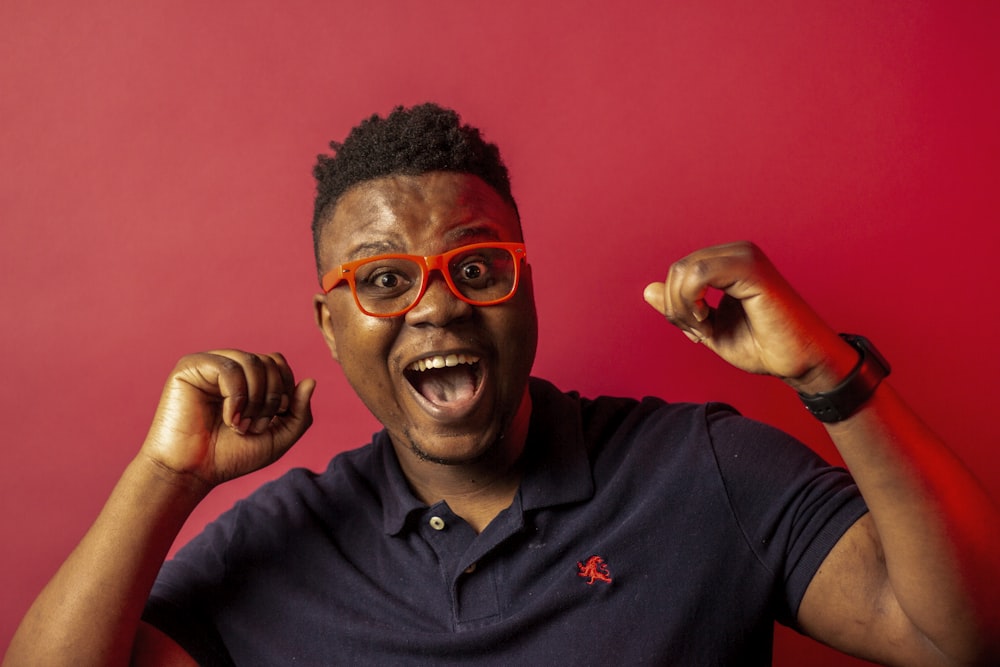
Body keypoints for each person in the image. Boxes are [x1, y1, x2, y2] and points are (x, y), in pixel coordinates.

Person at [5, 103, 999, 666]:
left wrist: (829, 372)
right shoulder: (284, 540)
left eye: (474, 265)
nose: (435, 306)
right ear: (330, 325)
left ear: (524, 286)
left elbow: (960, 633)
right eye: (383, 281)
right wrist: (164, 474)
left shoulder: (702, 469)